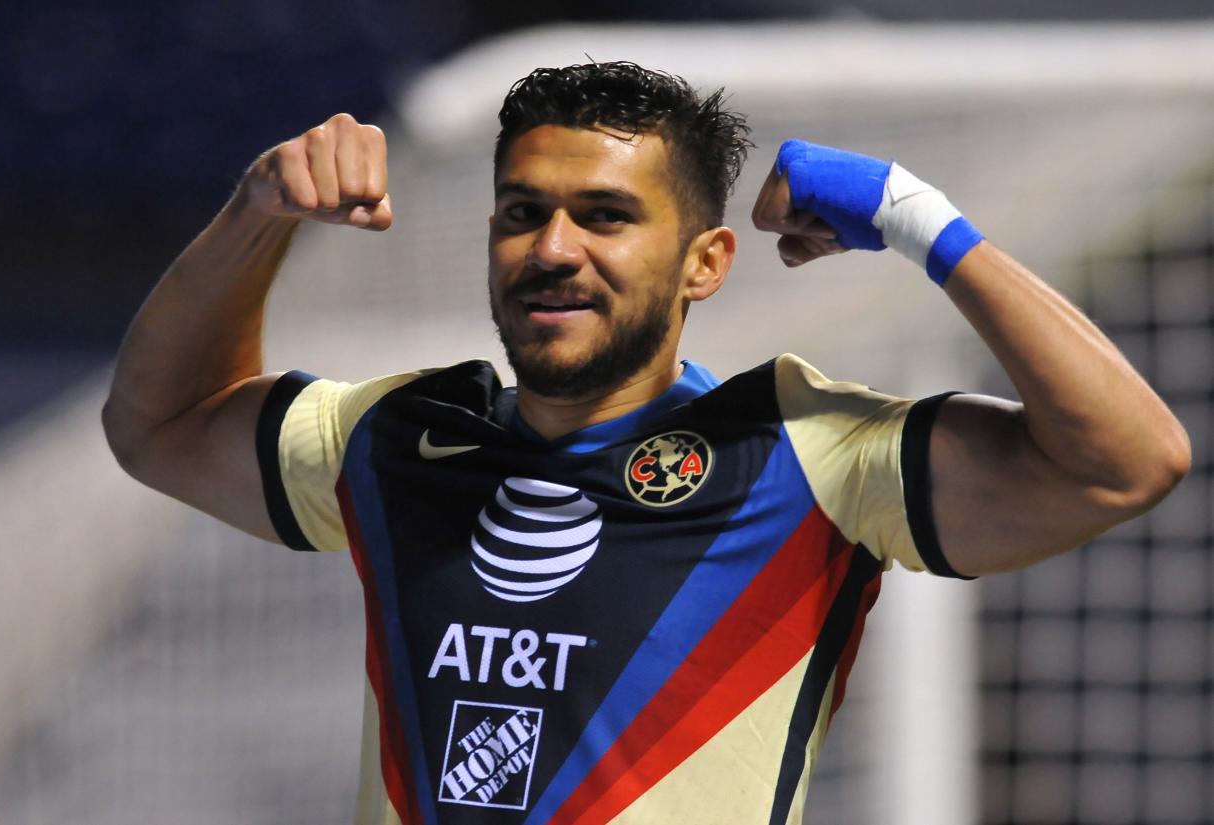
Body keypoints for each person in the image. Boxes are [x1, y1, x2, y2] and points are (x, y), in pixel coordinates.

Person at [102, 62, 1190, 824]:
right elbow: (158, 426)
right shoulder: (392, 438)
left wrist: (921, 223)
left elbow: (1128, 462)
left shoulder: (804, 456)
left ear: (706, 263)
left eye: (606, 217)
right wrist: (258, 212)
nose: (555, 248)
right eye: (524, 212)